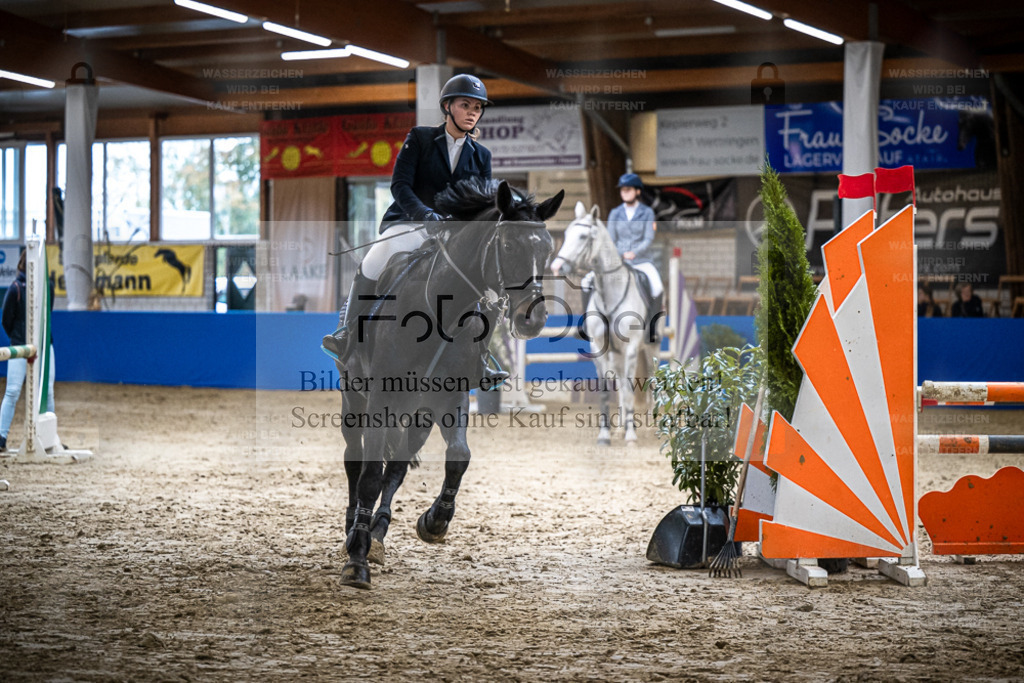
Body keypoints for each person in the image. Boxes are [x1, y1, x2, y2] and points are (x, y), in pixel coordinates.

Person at [322, 74, 505, 382]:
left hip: (452, 234)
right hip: (408, 223)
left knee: (486, 284)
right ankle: (347, 334)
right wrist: (425, 214)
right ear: (447, 106)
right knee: (373, 261)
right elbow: (400, 185)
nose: (473, 112)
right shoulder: (420, 138)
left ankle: (480, 357)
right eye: (465, 105)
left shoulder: (482, 155)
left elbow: (481, 202)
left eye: (477, 107)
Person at [580, 173, 663, 340]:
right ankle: (585, 325)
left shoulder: (646, 213)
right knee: (586, 282)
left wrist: (634, 252)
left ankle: (651, 329)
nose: (624, 193)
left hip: (641, 260)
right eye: (622, 190)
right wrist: (619, 255)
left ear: (637, 191)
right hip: (617, 261)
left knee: (657, 286)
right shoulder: (615, 213)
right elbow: (611, 239)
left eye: (628, 189)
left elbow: (648, 238)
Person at [1, 250, 55, 452]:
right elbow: (6, 319)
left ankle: (50, 436)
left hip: (44, 345)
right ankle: (1, 436)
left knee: (48, 391)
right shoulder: (15, 288)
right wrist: (18, 337)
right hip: (18, 344)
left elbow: (47, 315)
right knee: (13, 390)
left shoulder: (48, 287)